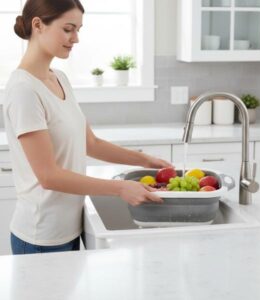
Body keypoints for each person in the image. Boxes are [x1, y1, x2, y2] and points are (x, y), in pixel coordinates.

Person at [3, 0, 172, 255]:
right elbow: (48, 176)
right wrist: (120, 189)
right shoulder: (23, 90)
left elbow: (89, 143)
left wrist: (144, 160)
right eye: (68, 29)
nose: (76, 39)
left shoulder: (59, 78)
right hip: (41, 237)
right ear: (38, 25)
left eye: (79, 30)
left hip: (70, 228)